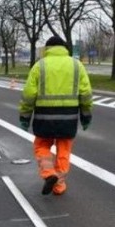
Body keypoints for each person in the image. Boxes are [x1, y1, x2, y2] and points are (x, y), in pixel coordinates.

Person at [19, 34, 93, 196]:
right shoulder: (76, 65)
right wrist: (86, 116)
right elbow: (86, 93)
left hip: (44, 118)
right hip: (69, 118)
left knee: (42, 146)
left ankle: (48, 174)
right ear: (65, 49)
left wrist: (25, 117)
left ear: (47, 49)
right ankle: (59, 186)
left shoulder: (40, 66)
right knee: (63, 150)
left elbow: (29, 94)